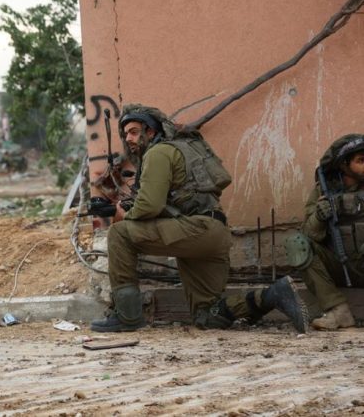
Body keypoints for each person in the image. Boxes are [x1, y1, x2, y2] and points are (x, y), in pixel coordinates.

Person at [91, 104, 309, 333]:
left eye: (134, 132)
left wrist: (124, 214)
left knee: (119, 233)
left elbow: (149, 206)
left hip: (195, 229)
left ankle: (127, 317)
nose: (129, 139)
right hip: (213, 233)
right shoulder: (180, 150)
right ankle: (272, 295)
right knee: (208, 315)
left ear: (151, 132)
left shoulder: (158, 152)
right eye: (126, 134)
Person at [284, 134, 364, 330]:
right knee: (297, 243)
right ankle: (338, 312)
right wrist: (320, 217)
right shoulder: (324, 191)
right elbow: (310, 235)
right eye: (361, 161)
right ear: (344, 165)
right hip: (339, 264)